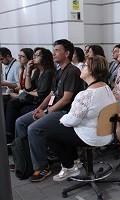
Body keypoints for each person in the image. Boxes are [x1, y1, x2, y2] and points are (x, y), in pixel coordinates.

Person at [14, 39, 83, 182]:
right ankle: (26, 160)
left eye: (57, 50)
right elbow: (52, 94)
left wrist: (46, 112)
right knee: (20, 122)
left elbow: (65, 99)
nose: (54, 53)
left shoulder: (72, 71)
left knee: (33, 129)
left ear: (67, 53)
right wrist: (40, 108)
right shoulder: (59, 71)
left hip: (65, 112)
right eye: (54, 50)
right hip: (53, 110)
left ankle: (42, 166)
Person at [46, 56, 115, 181]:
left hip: (92, 136)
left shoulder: (86, 94)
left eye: (85, 66)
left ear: (92, 70)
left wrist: (61, 119)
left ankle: (69, 167)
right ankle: (74, 161)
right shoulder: (106, 88)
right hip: (106, 134)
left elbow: (72, 120)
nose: (82, 68)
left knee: (50, 132)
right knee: (63, 129)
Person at [6, 48, 55, 142]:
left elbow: (41, 93)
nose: (34, 57)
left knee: (17, 108)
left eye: (37, 55)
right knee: (13, 104)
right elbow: (29, 87)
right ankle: (15, 139)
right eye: (34, 55)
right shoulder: (37, 71)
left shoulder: (48, 72)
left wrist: (27, 92)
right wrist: (28, 71)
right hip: (35, 100)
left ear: (44, 58)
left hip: (42, 102)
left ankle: (16, 140)